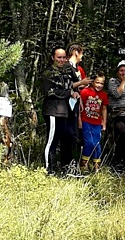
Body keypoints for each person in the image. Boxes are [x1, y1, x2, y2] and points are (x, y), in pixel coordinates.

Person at [41, 46, 79, 175]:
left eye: (64, 57)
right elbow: (50, 92)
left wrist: (75, 92)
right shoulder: (47, 73)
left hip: (66, 111)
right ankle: (48, 169)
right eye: (59, 57)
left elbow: (75, 84)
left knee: (68, 139)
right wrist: (69, 92)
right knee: (52, 141)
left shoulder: (68, 71)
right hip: (52, 111)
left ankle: (66, 168)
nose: (62, 60)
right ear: (53, 57)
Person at [63, 44, 94, 174]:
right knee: (69, 134)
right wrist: (82, 83)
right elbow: (66, 85)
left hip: (75, 103)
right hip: (66, 105)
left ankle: (71, 163)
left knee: (74, 134)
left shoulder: (77, 68)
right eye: (81, 53)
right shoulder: (67, 66)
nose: (82, 56)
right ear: (76, 52)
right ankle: (66, 164)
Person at [78, 72, 108, 172]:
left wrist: (104, 122)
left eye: (102, 83)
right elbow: (79, 106)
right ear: (92, 82)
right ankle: (83, 163)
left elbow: (104, 109)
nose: (99, 85)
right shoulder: (85, 92)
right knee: (89, 143)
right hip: (86, 121)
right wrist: (79, 121)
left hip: (97, 123)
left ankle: (96, 166)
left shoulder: (103, 94)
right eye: (97, 82)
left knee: (97, 144)